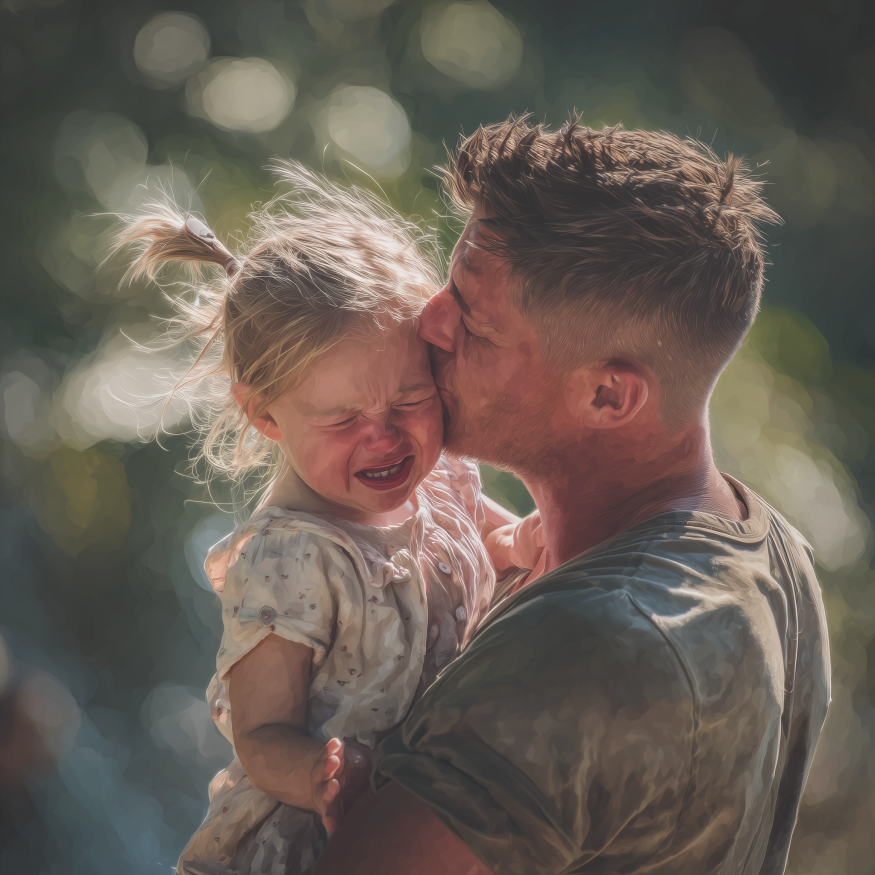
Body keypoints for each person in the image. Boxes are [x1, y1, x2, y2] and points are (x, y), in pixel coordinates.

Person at [315, 117, 832, 875]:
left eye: (474, 323)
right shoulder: (766, 547)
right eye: (448, 284)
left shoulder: (591, 641)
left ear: (607, 394)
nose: (427, 320)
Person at [114, 166, 541, 875]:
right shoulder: (289, 558)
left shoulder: (442, 483)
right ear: (263, 414)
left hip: (429, 815)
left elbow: (498, 548)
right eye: (343, 419)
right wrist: (318, 773)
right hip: (311, 842)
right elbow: (260, 732)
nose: (382, 436)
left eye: (409, 400)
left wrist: (535, 537)